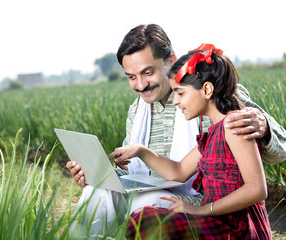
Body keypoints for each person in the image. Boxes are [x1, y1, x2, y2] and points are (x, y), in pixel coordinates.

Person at [66, 24, 286, 236]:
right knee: (94, 194)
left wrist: (265, 127)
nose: (140, 85)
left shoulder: (214, 96)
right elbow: (142, 173)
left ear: (170, 61)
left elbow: (281, 150)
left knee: (146, 206)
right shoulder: (137, 111)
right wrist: (98, 176)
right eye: (132, 77)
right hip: (151, 192)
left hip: (202, 204)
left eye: (148, 72)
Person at [110, 44, 272, 239]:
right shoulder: (211, 135)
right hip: (217, 220)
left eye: (180, 93)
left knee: (146, 221)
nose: (176, 101)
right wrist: (140, 151)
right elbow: (177, 172)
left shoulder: (233, 125)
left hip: (239, 227)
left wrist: (200, 211)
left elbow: (257, 190)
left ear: (207, 89)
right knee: (146, 219)